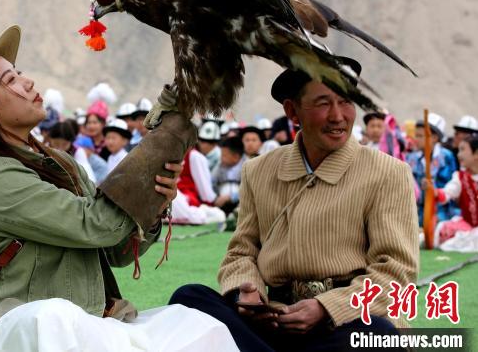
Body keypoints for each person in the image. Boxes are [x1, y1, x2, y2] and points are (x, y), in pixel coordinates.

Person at [0, 25, 237, 351]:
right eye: (10, 80)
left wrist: (155, 200)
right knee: (53, 318)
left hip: (87, 321)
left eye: (19, 73)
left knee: (199, 325)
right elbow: (97, 224)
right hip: (20, 329)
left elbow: (117, 250)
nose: (27, 81)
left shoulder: (62, 162)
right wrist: (164, 138)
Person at [170, 59, 418, 351]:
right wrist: (245, 292)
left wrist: (325, 307)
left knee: (377, 335)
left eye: (346, 102)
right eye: (323, 103)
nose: (338, 116)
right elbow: (241, 252)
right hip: (273, 323)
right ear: (292, 111)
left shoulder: (388, 172)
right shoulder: (259, 170)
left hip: (343, 323)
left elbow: (395, 274)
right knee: (189, 299)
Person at [407, 113, 459, 223]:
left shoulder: (446, 157)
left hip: (441, 212)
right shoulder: (411, 158)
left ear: (434, 138)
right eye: (416, 135)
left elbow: (452, 189)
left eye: (420, 136)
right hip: (417, 212)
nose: (416, 139)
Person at [434, 136, 478, 246]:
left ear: (476, 154)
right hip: (468, 226)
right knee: (444, 229)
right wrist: (434, 191)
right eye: (458, 150)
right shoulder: (460, 177)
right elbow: (446, 194)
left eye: (463, 149)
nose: (458, 155)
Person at [212, 137, 245, 215]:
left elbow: (249, 190)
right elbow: (212, 183)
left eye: (224, 156)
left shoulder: (246, 166)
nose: (221, 158)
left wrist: (231, 197)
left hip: (241, 202)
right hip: (221, 201)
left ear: (236, 157)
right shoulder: (219, 167)